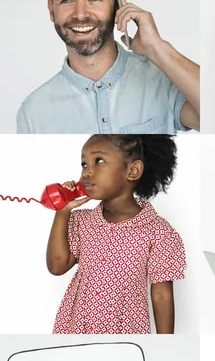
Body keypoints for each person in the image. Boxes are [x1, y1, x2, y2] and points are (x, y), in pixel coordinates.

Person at [17, 0, 200, 134]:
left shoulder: (162, 81)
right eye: (67, 0)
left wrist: (157, 48)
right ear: (51, 10)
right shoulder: (32, 114)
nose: (80, 14)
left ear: (117, 5)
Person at [47, 135, 186, 334]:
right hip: (77, 330)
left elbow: (162, 296)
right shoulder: (81, 221)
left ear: (133, 170)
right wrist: (63, 211)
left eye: (99, 161)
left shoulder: (158, 232)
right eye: (84, 163)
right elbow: (57, 266)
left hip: (124, 333)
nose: (87, 172)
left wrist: (166, 346)